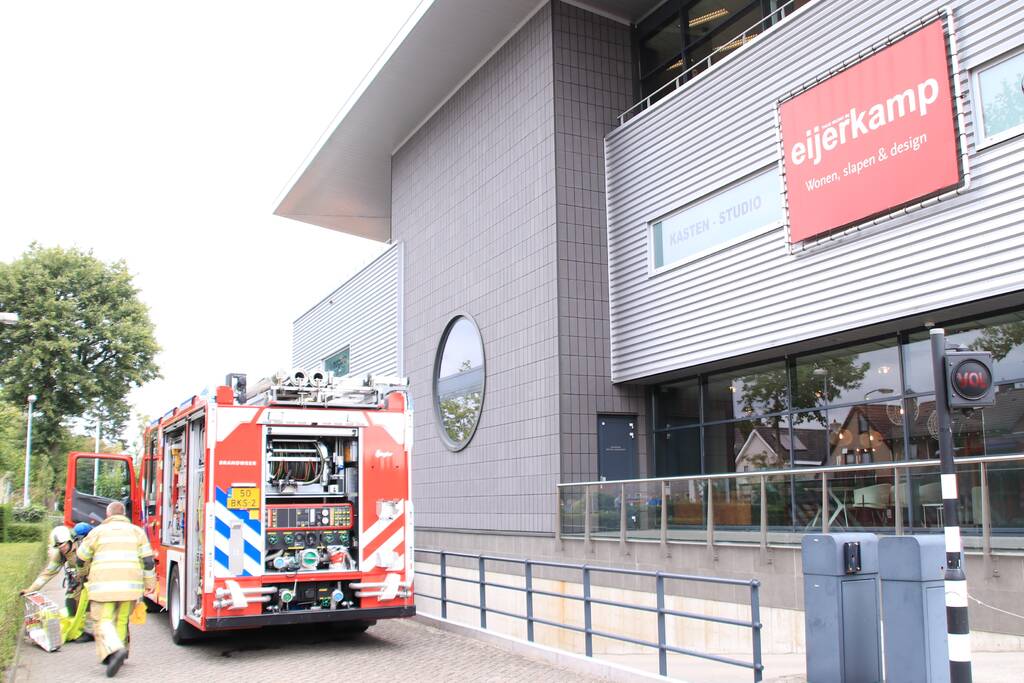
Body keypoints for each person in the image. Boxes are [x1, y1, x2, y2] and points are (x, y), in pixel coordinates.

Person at [76, 501, 155, 678]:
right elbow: (148, 561)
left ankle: (114, 650)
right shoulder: (137, 532)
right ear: (124, 514)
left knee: (103, 620)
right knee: (121, 620)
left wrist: (82, 574)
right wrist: (150, 584)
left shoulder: (97, 532)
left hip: (103, 586)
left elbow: (81, 558)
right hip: (130, 588)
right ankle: (118, 654)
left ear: (108, 514)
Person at [21, 523, 91, 614]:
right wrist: (30, 589)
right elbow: (49, 573)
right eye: (58, 547)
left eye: (63, 545)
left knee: (92, 605)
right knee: (71, 604)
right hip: (78, 579)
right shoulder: (60, 554)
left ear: (70, 541)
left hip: (94, 577)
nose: (62, 549)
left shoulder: (85, 545)